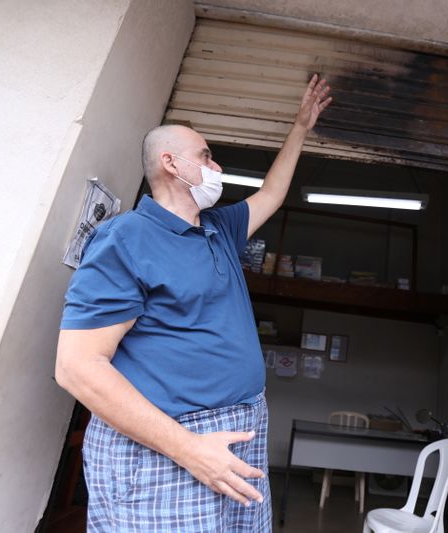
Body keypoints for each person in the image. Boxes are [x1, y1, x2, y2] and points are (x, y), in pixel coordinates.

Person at [55, 75, 332, 532]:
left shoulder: (218, 228)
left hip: (241, 428)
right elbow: (77, 367)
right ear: (170, 163)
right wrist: (190, 449)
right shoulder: (125, 238)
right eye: (205, 155)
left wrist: (301, 127)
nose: (216, 164)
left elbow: (272, 194)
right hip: (170, 444)